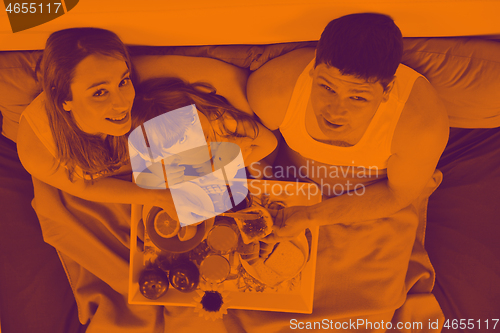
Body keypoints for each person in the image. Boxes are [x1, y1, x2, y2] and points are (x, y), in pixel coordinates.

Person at [16, 27, 254, 223]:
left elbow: (225, 76)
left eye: (123, 81)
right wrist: (158, 199)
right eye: (99, 93)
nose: (122, 104)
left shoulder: (125, 73)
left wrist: (251, 134)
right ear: (63, 99)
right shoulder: (36, 149)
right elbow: (84, 188)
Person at [247, 13, 449, 238]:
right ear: (314, 68)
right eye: (327, 88)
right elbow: (260, 148)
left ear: (388, 89)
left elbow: (397, 196)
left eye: (358, 98)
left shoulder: (422, 126)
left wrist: (311, 216)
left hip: (377, 197)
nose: (335, 112)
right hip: (292, 185)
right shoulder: (272, 91)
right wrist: (268, 190)